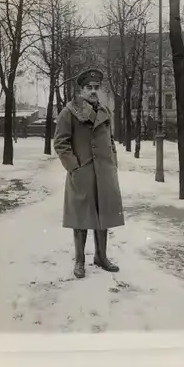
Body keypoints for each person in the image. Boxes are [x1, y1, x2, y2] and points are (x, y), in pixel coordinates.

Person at [53, 67, 125, 279]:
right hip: (83, 172)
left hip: (104, 172)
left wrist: (113, 161)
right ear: (81, 90)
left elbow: (110, 140)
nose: (93, 91)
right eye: (89, 88)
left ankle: (101, 257)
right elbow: (60, 143)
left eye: (96, 87)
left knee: (104, 215)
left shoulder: (104, 111)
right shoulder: (69, 112)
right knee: (81, 217)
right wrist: (74, 167)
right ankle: (80, 261)